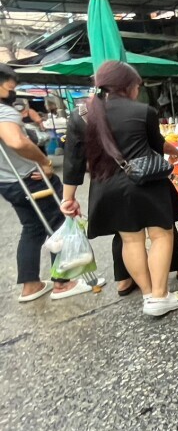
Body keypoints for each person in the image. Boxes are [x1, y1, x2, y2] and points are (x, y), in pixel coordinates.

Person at [62, 61, 178, 316]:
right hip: (146, 183)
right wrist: (176, 153)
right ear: (127, 86)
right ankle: (161, 296)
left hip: (107, 186)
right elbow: (157, 144)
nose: (138, 90)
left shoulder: (81, 115)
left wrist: (68, 198)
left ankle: (149, 295)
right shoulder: (143, 111)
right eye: (137, 86)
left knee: (131, 240)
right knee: (161, 235)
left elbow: (72, 160)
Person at [0, 65, 103, 301]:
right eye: (10, 84)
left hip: (7, 182)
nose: (13, 89)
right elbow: (16, 142)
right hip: (30, 177)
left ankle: (31, 285)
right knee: (60, 223)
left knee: (32, 228)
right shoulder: (4, 112)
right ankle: (63, 282)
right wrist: (44, 161)